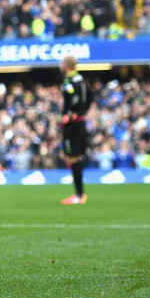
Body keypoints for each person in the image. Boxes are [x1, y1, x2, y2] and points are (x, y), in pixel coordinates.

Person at [59, 54, 93, 205]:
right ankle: (79, 193)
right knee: (74, 156)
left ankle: (79, 195)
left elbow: (74, 98)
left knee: (73, 156)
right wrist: (83, 112)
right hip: (80, 122)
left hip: (73, 123)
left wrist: (71, 115)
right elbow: (90, 96)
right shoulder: (82, 80)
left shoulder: (70, 81)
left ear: (66, 64)